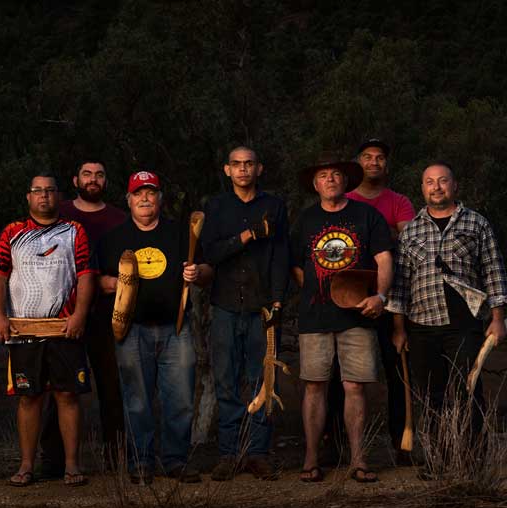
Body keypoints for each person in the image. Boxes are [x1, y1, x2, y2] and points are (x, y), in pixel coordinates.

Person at [389, 162, 507, 467]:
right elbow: (401, 284)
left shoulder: (476, 224)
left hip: (465, 323)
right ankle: (438, 459)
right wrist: (399, 329)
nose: (436, 187)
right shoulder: (411, 230)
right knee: (431, 394)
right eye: (429, 182)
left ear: (454, 186)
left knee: (467, 389)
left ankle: (471, 459)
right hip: (422, 324)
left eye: (443, 181)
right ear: (422, 188)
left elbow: (493, 271)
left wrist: (497, 318)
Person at [98, 171, 213, 485]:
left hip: (176, 329)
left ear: (160, 198)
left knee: (181, 399)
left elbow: (206, 271)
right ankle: (141, 462)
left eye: (151, 193)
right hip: (131, 330)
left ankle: (175, 461)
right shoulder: (114, 238)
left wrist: (196, 272)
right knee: (137, 400)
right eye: (138, 193)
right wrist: (111, 283)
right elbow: (97, 280)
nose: (145, 199)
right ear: (129, 200)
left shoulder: (180, 234)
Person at [0, 174, 96, 488]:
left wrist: (79, 315)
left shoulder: (75, 231)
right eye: (38, 191)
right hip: (24, 330)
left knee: (68, 395)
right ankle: (25, 465)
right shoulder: (12, 232)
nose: (44, 196)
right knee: (28, 398)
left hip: (64, 328)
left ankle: (72, 466)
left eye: (50, 190)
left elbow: (87, 275)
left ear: (58, 196)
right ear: (28, 197)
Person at [290, 152, 393, 483]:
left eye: (335, 174)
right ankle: (310, 459)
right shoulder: (305, 220)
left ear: (347, 181)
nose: (330, 179)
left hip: (358, 316)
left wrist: (380, 296)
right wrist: (321, 292)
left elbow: (384, 259)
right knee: (314, 386)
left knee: (354, 387)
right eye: (323, 176)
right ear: (315, 184)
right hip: (315, 318)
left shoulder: (367, 216)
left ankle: (359, 460)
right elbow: (295, 265)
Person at [201, 146, 289, 481]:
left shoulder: (274, 206)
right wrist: (247, 235)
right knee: (225, 379)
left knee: (263, 379)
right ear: (227, 170)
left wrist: (279, 301)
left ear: (259, 168)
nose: (242, 170)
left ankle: (257, 452)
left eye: (248, 164)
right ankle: (228, 453)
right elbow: (211, 253)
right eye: (236, 165)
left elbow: (281, 254)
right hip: (224, 304)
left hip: (262, 305)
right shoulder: (217, 207)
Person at [39, 158, 127, 477]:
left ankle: (117, 457)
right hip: (62, 314)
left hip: (107, 317)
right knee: (60, 389)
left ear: (106, 181)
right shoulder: (59, 213)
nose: (93, 180)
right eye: (87, 174)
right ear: (75, 179)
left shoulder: (119, 218)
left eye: (99, 175)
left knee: (112, 387)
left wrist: (112, 282)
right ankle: (52, 460)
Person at [341, 139, 416, 464]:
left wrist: (369, 239)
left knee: (397, 371)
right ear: (358, 163)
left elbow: (408, 242)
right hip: (348, 297)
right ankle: (342, 447)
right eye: (368, 157)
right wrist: (383, 235)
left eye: (380, 158)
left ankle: (402, 443)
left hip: (392, 298)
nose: (374, 162)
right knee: (342, 377)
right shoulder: (344, 200)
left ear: (386, 165)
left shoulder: (399, 201)